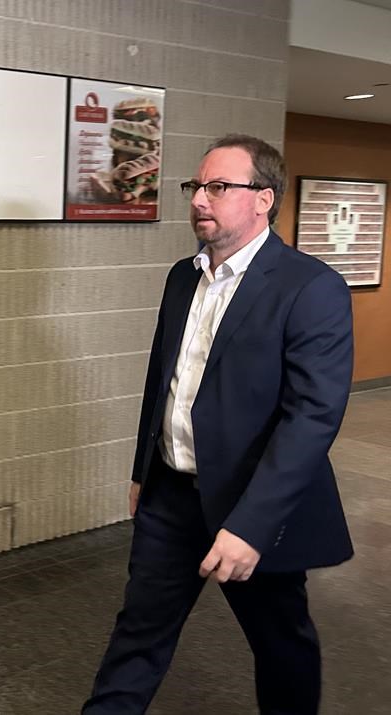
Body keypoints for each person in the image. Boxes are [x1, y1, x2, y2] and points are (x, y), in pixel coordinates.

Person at [82, 134, 354, 715]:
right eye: (197, 186)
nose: (200, 198)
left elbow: (312, 417)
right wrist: (142, 471)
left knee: (280, 643)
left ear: (264, 199)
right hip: (171, 495)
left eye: (218, 186)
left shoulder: (310, 287)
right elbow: (165, 382)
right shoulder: (184, 277)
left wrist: (252, 525)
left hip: (252, 505)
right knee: (139, 632)